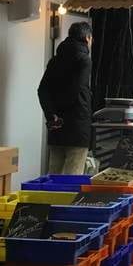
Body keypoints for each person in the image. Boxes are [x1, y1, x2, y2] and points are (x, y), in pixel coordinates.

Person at [38, 21, 93, 174]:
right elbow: (76, 90)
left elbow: (42, 90)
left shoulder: (55, 60)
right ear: (87, 38)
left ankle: (49, 198)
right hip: (77, 126)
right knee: (72, 177)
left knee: (53, 175)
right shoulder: (84, 60)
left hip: (56, 127)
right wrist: (63, 111)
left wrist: (52, 115)